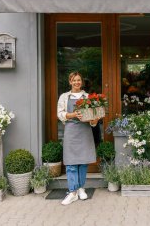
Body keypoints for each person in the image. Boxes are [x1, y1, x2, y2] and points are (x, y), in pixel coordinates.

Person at [57, 71, 99, 205]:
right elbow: (60, 114)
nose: (76, 82)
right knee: (71, 162)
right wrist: (74, 114)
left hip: (84, 131)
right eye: (74, 80)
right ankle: (72, 192)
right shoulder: (64, 97)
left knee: (83, 162)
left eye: (79, 80)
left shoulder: (88, 97)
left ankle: (81, 188)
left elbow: (93, 121)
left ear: (82, 82)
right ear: (70, 82)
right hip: (71, 131)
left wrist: (94, 119)